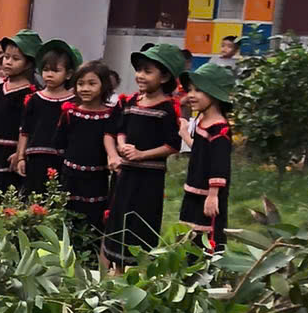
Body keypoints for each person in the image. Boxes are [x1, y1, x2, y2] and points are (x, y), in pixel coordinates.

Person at [106, 41, 187, 260]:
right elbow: (120, 129)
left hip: (150, 178)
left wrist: (142, 154)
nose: (140, 76)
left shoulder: (167, 108)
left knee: (142, 219)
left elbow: (172, 145)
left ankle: (140, 265)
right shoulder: (132, 101)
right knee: (119, 216)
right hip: (126, 173)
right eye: (139, 70)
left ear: (165, 77)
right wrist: (121, 145)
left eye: (148, 72)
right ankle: (116, 266)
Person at [58, 59, 118, 245]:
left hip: (96, 177)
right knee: (67, 217)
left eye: (92, 83)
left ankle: (91, 256)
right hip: (70, 174)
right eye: (80, 83)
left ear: (104, 85)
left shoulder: (111, 114)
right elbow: (60, 142)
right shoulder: (70, 113)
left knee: (93, 219)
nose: (85, 88)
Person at [179, 59, 234, 247]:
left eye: (198, 90)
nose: (191, 95)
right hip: (193, 190)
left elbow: (219, 165)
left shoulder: (220, 130)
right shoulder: (203, 122)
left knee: (207, 240)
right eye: (190, 90)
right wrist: (185, 135)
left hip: (207, 195)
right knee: (188, 237)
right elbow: (200, 152)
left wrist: (213, 195)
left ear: (214, 94)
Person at [16, 39, 79, 196]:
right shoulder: (34, 99)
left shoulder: (73, 102)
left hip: (61, 159)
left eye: (56, 71)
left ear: (68, 74)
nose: (49, 75)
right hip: (35, 158)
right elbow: (25, 130)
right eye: (45, 70)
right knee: (33, 197)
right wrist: (20, 157)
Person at [0, 29, 40, 197]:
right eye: (6, 57)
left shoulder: (30, 93)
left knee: (7, 193)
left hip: (11, 150)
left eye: (16, 59)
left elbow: (27, 127)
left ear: (28, 63)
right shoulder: (1, 87)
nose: (8, 62)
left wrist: (20, 153)